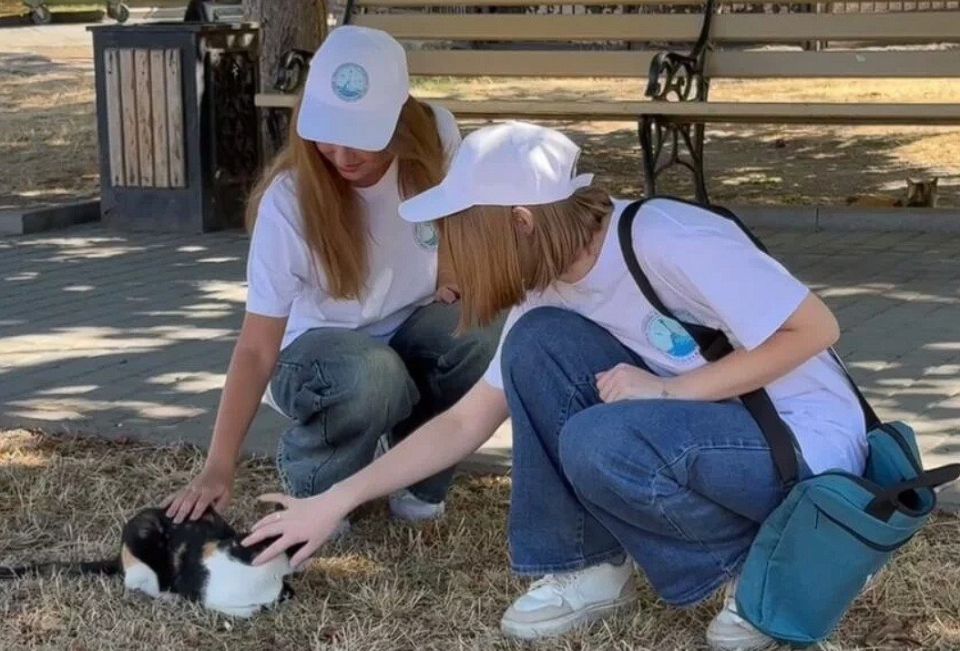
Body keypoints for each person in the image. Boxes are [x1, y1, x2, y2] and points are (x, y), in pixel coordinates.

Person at [241, 122, 867, 650]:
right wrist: (335, 500)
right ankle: (586, 565)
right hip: (706, 427)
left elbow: (815, 328)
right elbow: (466, 421)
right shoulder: (546, 286)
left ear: (519, 222)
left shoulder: (670, 238)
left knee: (603, 438)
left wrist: (670, 390)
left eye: (459, 233)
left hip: (799, 444)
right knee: (537, 343)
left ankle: (767, 564)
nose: (447, 253)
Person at [165, 26, 502, 530]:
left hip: (406, 323)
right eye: (327, 134)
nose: (342, 158)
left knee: (480, 330)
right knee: (374, 372)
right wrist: (218, 466)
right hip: (315, 354)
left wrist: (452, 265)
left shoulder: (436, 132)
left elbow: (460, 212)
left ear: (399, 121)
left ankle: (416, 478)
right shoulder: (288, 201)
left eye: (361, 138)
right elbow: (257, 347)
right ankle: (317, 486)